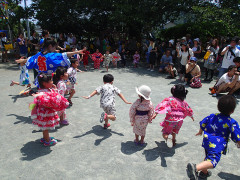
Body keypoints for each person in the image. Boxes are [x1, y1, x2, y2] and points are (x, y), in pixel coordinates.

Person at [187, 95, 240, 180]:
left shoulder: (212, 116)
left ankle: (204, 173)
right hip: (217, 144)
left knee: (208, 156)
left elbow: (203, 123)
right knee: (213, 161)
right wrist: (238, 143)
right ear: (232, 111)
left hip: (207, 141)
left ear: (218, 107)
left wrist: (200, 132)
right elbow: (237, 136)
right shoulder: (231, 122)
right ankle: (195, 167)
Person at [15, 38, 84, 87]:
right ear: (50, 46)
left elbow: (30, 60)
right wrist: (76, 52)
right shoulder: (51, 56)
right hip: (49, 81)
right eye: (54, 47)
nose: (55, 49)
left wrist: (23, 60)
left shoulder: (38, 55)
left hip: (40, 80)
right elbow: (64, 55)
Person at [30, 73, 69, 146]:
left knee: (45, 127)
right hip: (46, 112)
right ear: (44, 83)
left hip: (47, 111)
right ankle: (47, 141)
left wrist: (54, 89)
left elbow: (55, 96)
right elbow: (47, 102)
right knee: (45, 127)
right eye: (50, 81)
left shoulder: (47, 90)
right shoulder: (42, 93)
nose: (52, 82)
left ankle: (45, 138)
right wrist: (54, 105)